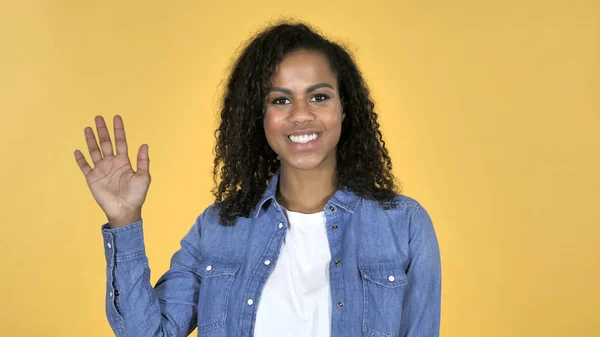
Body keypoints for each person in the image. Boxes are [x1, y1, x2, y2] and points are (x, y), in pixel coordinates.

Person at [74, 22, 441, 337]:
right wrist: (124, 221)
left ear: (344, 107)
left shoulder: (404, 224)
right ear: (259, 116)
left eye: (318, 96)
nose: (301, 115)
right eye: (280, 101)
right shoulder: (218, 228)